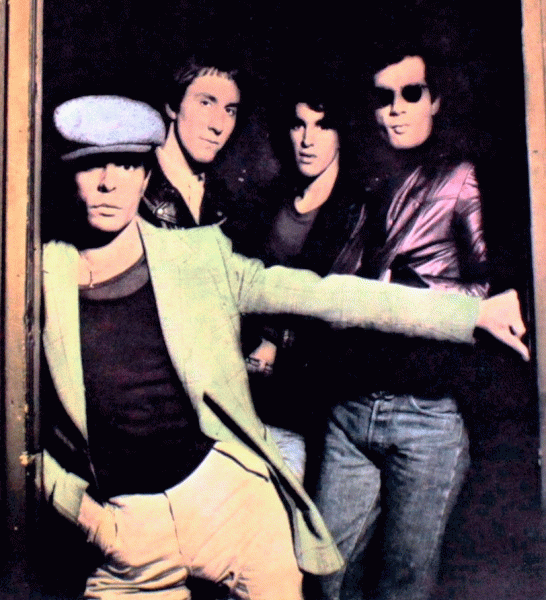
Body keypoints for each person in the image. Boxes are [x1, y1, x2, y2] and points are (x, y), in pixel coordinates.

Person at [38, 94, 528, 600]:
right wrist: (85, 514)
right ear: (69, 174)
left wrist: (471, 313)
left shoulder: (197, 257)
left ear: (145, 177)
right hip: (129, 531)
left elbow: (330, 296)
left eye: (126, 165)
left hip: (229, 504)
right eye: (92, 165)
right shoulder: (35, 279)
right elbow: (16, 425)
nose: (108, 183)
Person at [313, 46, 495, 600]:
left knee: (403, 589)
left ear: (434, 100)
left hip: (426, 419)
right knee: (324, 579)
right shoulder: (359, 181)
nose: (395, 109)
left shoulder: (460, 178)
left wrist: (412, 292)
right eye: (383, 97)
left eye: (410, 94)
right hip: (349, 413)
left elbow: (491, 292)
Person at [243, 79, 363, 482]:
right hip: (253, 388)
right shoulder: (272, 199)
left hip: (314, 400)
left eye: (323, 126)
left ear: (342, 133)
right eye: (299, 125)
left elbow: (338, 306)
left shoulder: (356, 210)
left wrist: (277, 343)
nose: (308, 140)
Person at [139, 55, 242, 229]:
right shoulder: (133, 187)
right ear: (173, 106)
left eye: (229, 110)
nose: (218, 126)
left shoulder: (228, 201)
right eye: (205, 103)